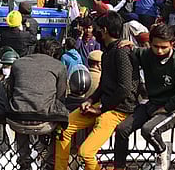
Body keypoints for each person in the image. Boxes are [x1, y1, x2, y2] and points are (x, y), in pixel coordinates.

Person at [55, 12, 138, 170]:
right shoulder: (107, 51)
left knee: (85, 153)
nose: (94, 32)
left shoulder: (121, 52)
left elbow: (125, 89)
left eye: (97, 29)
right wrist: (90, 101)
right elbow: (102, 85)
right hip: (104, 105)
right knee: (63, 129)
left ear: (104, 30)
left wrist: (100, 108)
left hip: (119, 110)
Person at [113, 24, 175, 170]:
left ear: (172, 44)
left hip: (172, 108)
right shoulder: (147, 54)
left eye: (163, 47)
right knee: (122, 129)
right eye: (155, 46)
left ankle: (162, 153)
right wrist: (130, 46)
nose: (159, 50)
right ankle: (119, 167)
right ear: (150, 43)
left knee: (148, 130)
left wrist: (167, 107)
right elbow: (137, 52)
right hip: (151, 104)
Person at [7, 38, 69, 170]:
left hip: (17, 121)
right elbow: (60, 96)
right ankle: (50, 161)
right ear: (55, 54)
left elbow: (10, 91)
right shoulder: (59, 66)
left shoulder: (18, 63)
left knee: (21, 110)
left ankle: (24, 160)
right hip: (45, 122)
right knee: (60, 115)